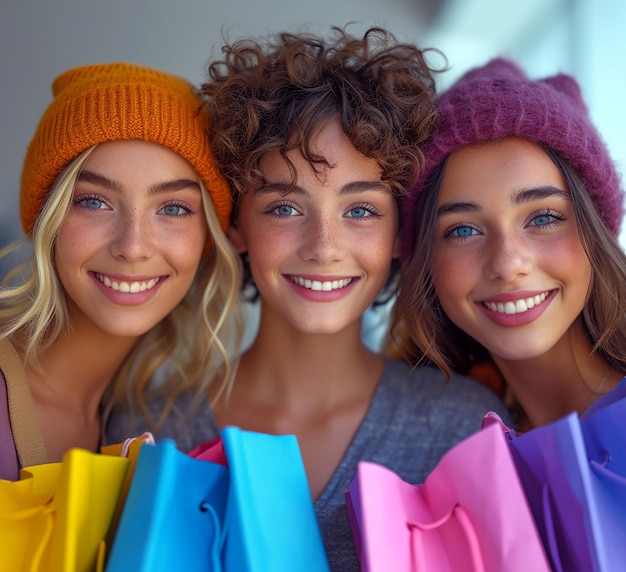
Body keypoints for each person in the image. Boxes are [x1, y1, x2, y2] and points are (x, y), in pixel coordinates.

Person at [108, 27, 508, 570]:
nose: (324, 248)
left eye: (361, 210)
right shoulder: (146, 432)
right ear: (234, 226)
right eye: (284, 208)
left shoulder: (466, 428)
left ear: (399, 235)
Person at [0, 62, 242, 480]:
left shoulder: (143, 422)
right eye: (94, 201)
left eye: (173, 208)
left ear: (208, 239)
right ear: (47, 220)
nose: (132, 247)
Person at [393, 57, 626, 432]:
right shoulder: (440, 443)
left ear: (596, 231)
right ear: (424, 258)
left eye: (544, 218)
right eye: (463, 230)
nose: (507, 262)